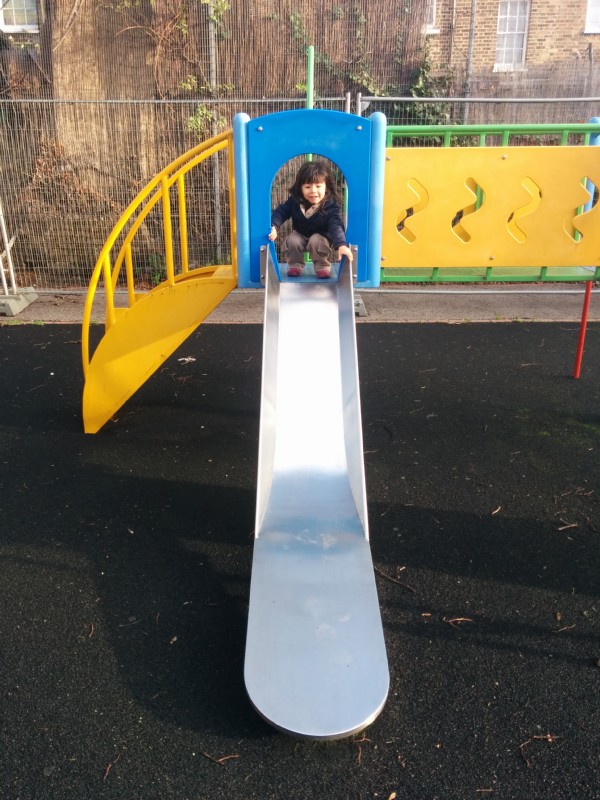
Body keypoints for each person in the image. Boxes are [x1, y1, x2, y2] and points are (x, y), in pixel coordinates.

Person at [268, 160, 353, 278]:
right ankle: (295, 264)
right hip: (301, 233)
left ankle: (322, 266)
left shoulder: (330, 205)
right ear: (300, 188)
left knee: (315, 241)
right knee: (293, 240)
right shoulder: (295, 201)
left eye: (318, 186)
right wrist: (274, 226)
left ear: (326, 187)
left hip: (321, 236)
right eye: (308, 187)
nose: (313, 191)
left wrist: (341, 245)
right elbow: (281, 212)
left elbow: (336, 225)